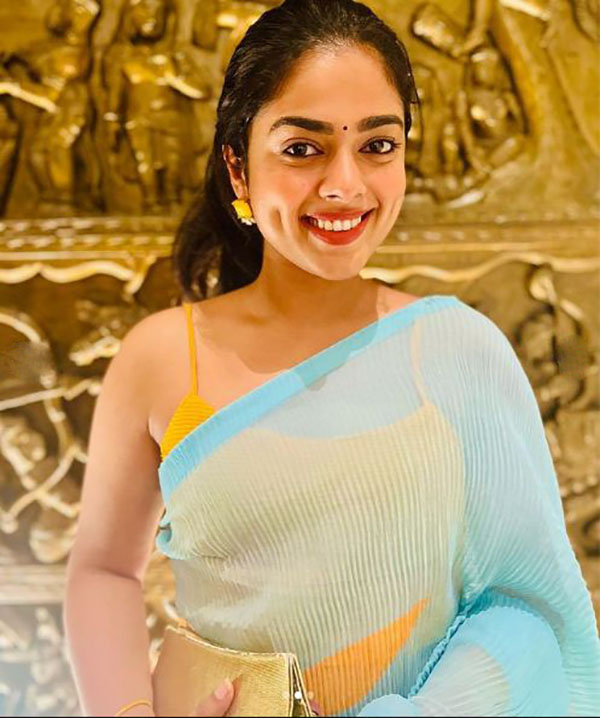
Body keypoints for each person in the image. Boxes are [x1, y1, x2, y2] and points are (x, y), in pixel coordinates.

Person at [63, 0, 600, 716]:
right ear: (238, 167)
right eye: (302, 148)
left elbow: (527, 606)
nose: (345, 185)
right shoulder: (164, 357)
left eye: (377, 145)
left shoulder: (457, 350)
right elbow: (103, 571)